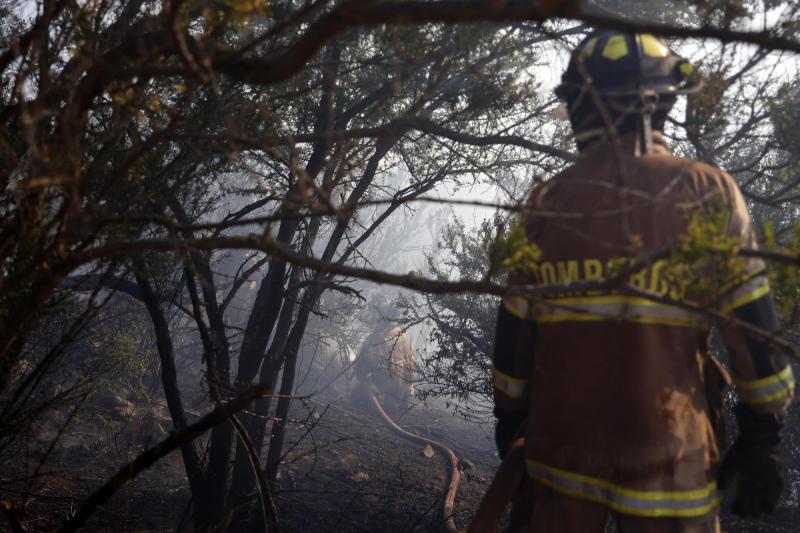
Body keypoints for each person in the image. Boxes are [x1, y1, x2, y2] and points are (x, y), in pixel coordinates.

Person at [491, 31, 795, 532]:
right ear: (663, 104)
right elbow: (753, 326)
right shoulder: (705, 192)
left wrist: (511, 418)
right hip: (672, 466)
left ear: (581, 108)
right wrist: (763, 434)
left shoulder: (547, 203)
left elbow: (514, 332)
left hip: (563, 457)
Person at [354, 316, 416, 416]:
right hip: (399, 387)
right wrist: (408, 392)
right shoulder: (404, 337)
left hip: (382, 385)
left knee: (357, 398)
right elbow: (411, 367)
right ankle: (396, 403)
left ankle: (383, 402)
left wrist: (362, 376)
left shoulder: (375, 338)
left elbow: (363, 365)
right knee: (391, 408)